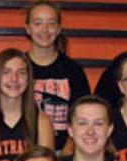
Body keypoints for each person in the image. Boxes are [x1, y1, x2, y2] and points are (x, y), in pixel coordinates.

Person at [24, 0, 91, 151]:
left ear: (59, 28)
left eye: (51, 23)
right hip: (26, 152)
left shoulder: (73, 71)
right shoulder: (17, 68)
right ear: (27, 28)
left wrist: (68, 150)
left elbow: (83, 115)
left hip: (64, 151)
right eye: (38, 23)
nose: (45, 29)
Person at [0, 48, 54, 161]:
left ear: (29, 79)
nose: (14, 79)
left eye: (21, 72)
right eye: (6, 72)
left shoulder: (42, 121)